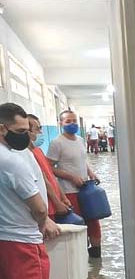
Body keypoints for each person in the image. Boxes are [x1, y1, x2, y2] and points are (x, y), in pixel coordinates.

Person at [0, 103, 60, 279]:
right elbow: (37, 207)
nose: (27, 135)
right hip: (23, 240)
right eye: (21, 130)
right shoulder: (13, 162)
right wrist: (42, 222)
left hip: (3, 238)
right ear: (2, 129)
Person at [47, 110, 102, 258]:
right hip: (69, 191)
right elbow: (49, 168)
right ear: (61, 124)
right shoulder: (57, 143)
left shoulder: (80, 140)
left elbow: (82, 160)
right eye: (68, 121)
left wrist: (90, 172)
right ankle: (81, 258)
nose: (72, 124)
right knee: (78, 224)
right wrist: (71, 177)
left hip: (86, 190)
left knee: (94, 222)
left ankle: (96, 259)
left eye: (74, 121)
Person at [26, 114, 73, 220]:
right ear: (27, 132)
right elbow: (44, 180)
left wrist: (63, 198)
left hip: (56, 204)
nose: (41, 133)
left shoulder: (38, 151)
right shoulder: (27, 155)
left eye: (40, 128)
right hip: (47, 206)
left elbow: (51, 176)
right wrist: (57, 203)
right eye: (37, 129)